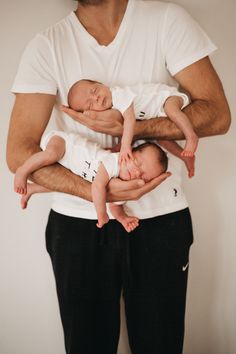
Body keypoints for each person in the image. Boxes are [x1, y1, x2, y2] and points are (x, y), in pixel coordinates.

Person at [7, 1, 231, 353]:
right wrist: (97, 192)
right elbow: (19, 152)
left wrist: (137, 127)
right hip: (78, 228)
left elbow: (218, 115)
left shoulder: (166, 21)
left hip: (161, 222)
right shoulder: (47, 45)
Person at [14, 131, 168, 232]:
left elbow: (115, 205)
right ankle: (23, 170)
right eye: (138, 163)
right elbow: (98, 186)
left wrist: (123, 219)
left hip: (69, 167)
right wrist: (101, 213)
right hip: (65, 143)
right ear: (128, 153)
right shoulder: (113, 161)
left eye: (144, 176)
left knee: (61, 184)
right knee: (51, 154)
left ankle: (31, 189)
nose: (136, 173)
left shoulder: (124, 187)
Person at [68, 79, 197, 162]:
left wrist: (124, 146)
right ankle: (183, 156)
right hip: (158, 113)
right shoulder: (114, 108)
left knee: (172, 111)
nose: (96, 98)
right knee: (160, 138)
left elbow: (130, 121)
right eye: (90, 104)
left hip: (168, 97)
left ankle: (191, 137)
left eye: (94, 90)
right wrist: (118, 147)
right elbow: (131, 132)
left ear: (102, 84)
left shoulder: (118, 95)